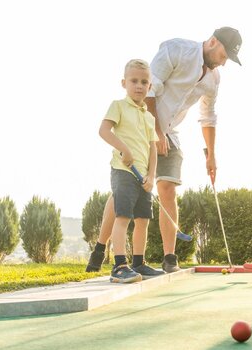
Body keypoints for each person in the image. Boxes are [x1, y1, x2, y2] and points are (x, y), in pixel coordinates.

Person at [86, 27, 242, 273]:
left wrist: (211, 154)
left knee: (167, 187)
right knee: (122, 194)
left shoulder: (214, 79)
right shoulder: (176, 50)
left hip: (170, 133)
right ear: (213, 42)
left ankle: (169, 258)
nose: (224, 63)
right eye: (224, 55)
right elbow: (150, 91)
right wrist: (155, 132)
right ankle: (99, 248)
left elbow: (207, 116)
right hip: (141, 128)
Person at [98, 58, 164, 283]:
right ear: (124, 83)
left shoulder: (149, 116)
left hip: (143, 176)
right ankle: (119, 267)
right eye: (134, 81)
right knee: (123, 216)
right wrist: (123, 148)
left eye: (144, 82)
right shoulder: (118, 106)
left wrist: (152, 176)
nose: (139, 85)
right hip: (123, 172)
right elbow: (104, 131)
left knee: (143, 219)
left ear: (150, 87)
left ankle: (138, 263)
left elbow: (152, 148)